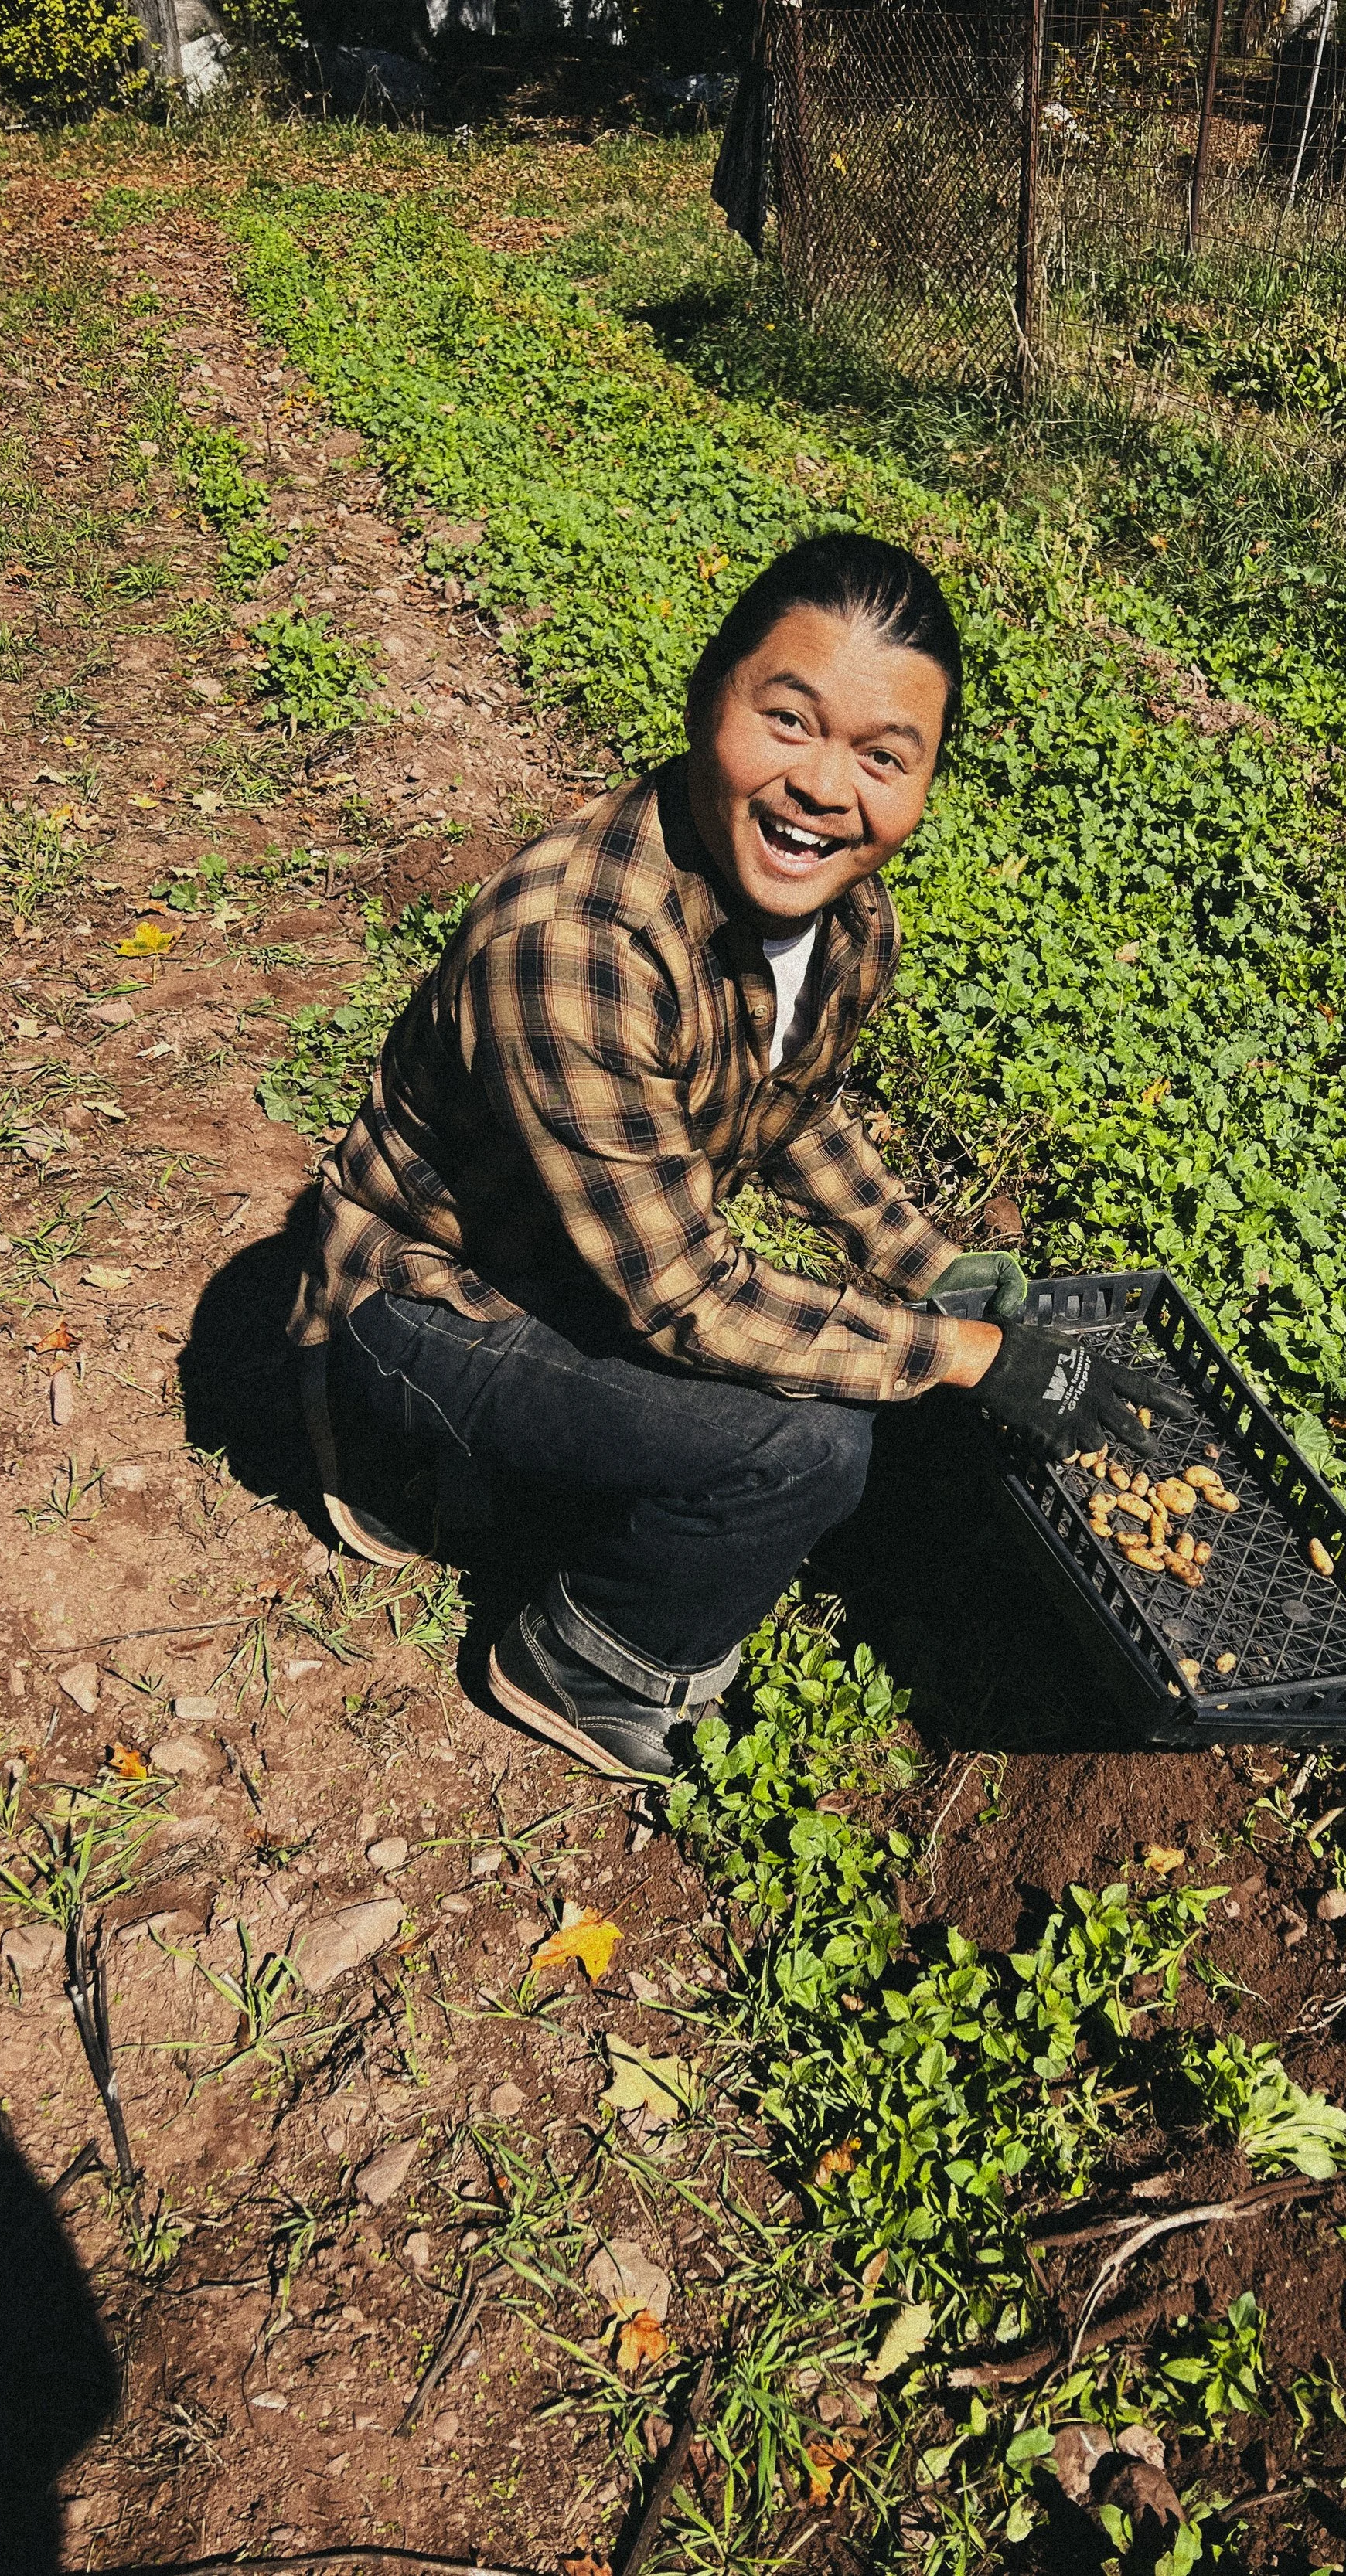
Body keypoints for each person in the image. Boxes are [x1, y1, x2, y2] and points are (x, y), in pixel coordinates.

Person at [290, 533, 1170, 1783]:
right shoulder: (576, 947)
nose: (826, 787)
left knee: (854, 1376)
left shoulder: (842, 914)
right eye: (789, 720)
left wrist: (927, 1266)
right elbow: (688, 1296)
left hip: (569, 1269)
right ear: (707, 702)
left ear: (925, 783)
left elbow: (791, 1109)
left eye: (884, 757)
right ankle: (575, 1650)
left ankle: (547, 1468)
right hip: (419, 1306)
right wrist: (967, 1356)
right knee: (802, 1446)